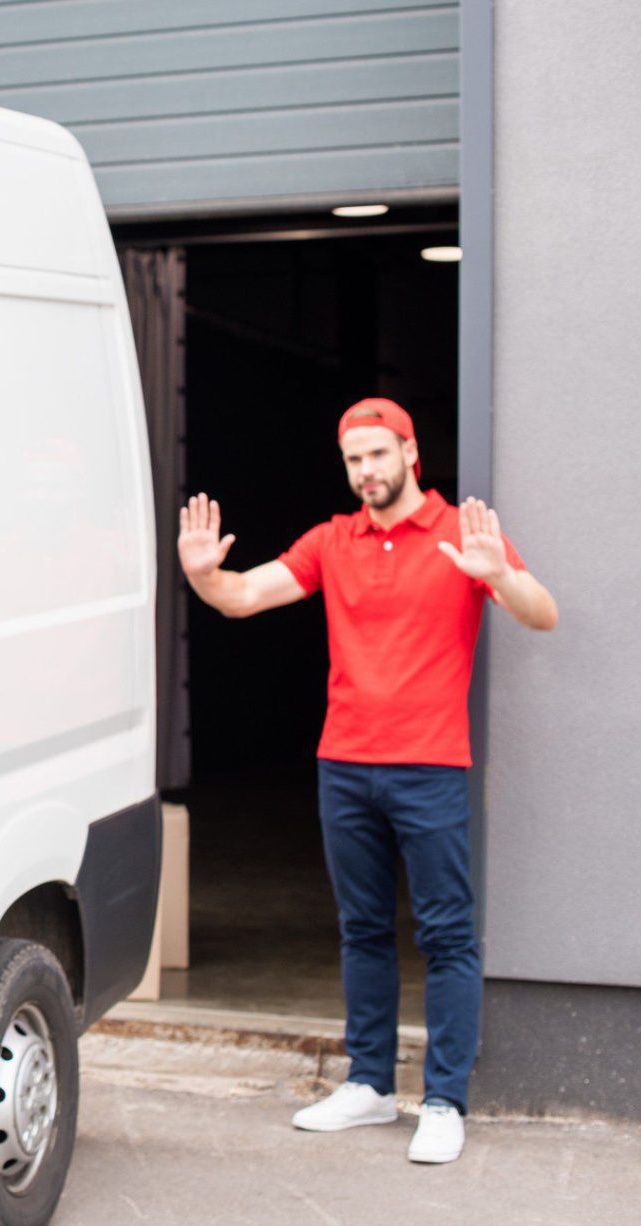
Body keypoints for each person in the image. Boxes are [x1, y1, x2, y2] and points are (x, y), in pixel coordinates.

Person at [176, 397, 557, 1165]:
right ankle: (371, 1086)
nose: (366, 471)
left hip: (430, 766)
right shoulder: (333, 540)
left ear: (411, 454)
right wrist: (204, 578)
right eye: (354, 459)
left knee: (446, 935)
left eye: (379, 455)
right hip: (345, 764)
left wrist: (500, 578)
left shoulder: (460, 534)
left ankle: (445, 1099)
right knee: (362, 930)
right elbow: (247, 595)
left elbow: (543, 614)